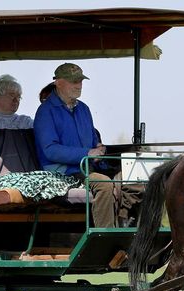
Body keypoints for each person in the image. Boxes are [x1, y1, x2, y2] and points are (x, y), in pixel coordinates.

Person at [33, 63, 124, 227]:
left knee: (131, 180)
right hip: (63, 173)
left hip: (87, 169)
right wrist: (88, 153)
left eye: (80, 81)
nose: (78, 85)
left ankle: (128, 228)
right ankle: (105, 237)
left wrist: (98, 146)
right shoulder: (45, 111)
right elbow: (50, 151)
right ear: (58, 83)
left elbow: (92, 136)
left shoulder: (84, 109)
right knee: (104, 184)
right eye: (73, 81)